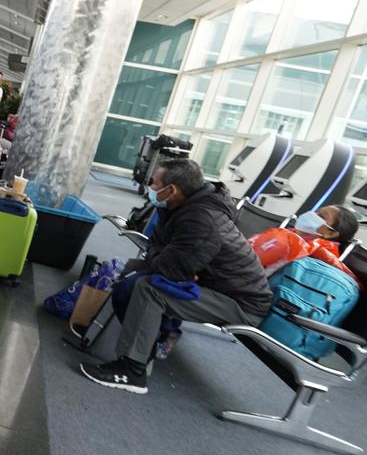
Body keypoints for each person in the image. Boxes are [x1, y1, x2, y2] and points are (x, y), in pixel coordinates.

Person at [81, 159, 273, 395]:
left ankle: (132, 370)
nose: (150, 187)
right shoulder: (179, 206)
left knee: (149, 289)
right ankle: (158, 339)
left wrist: (158, 254)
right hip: (215, 284)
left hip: (240, 303)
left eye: (154, 183)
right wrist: (158, 254)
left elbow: (171, 269)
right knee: (134, 275)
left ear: (171, 190)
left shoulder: (201, 219)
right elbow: (161, 250)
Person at [249, 205, 359, 281]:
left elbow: (250, 265)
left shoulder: (312, 256)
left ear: (330, 233)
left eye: (321, 216)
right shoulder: (290, 236)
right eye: (317, 211)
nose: (313, 214)